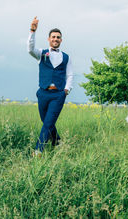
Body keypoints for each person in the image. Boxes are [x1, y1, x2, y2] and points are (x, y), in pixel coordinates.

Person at [27, 16, 74, 156]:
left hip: (58, 94)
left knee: (47, 122)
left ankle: (38, 150)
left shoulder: (66, 57)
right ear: (49, 39)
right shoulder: (41, 53)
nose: (55, 39)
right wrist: (32, 31)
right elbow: (30, 49)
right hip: (43, 93)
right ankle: (57, 142)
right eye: (53, 37)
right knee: (46, 121)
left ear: (61, 40)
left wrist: (66, 90)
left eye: (58, 37)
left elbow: (70, 75)